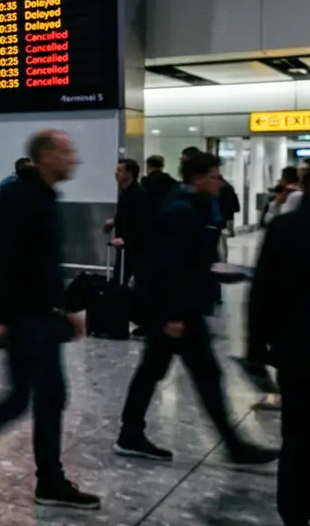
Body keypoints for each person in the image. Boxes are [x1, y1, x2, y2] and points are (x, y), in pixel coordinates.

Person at [0, 130, 101, 511]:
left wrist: (63, 307)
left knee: (29, 398)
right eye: (66, 152)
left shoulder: (43, 197)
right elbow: (3, 259)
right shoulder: (21, 198)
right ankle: (46, 479)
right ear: (45, 156)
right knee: (34, 397)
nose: (73, 159)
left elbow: (42, 263)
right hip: (24, 319)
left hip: (39, 315)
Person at [114, 151, 278, 466]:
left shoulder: (190, 206)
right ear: (198, 178)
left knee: (160, 372)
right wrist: (172, 315)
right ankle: (232, 446)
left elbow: (186, 261)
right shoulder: (181, 210)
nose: (220, 182)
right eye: (215, 176)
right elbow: (166, 265)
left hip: (178, 309)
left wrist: (214, 272)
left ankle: (131, 433)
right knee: (198, 375)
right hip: (177, 312)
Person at [247, 184, 310, 526]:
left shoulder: (285, 228)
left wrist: (257, 347)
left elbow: (262, 290)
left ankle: (295, 521)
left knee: (298, 437)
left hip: (297, 349)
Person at [105, 158, 147, 285]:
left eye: (120, 170)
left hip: (133, 249)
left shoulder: (139, 195)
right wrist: (113, 222)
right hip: (123, 247)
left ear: (129, 173)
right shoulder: (125, 193)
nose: (116, 173)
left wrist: (126, 239)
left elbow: (141, 223)